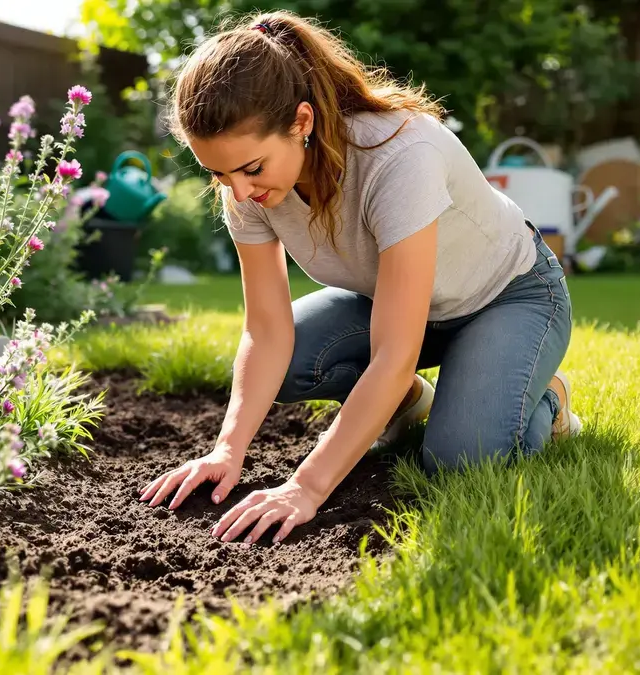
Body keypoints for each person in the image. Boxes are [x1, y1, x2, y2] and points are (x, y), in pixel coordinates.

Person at [138, 10, 582, 546]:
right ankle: (408, 401)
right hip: (402, 305)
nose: (238, 191)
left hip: (509, 296)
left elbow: (393, 354)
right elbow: (266, 330)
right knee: (288, 365)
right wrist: (227, 450)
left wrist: (306, 487)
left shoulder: (399, 157)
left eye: (251, 168)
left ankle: (546, 396)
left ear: (301, 123)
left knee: (460, 458)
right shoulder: (247, 189)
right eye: (218, 174)